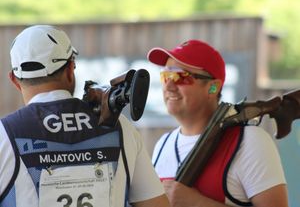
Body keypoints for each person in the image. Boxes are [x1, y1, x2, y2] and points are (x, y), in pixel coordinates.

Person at [0, 25, 170, 207]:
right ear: (70, 69)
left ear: (14, 80)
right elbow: (156, 204)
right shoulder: (120, 126)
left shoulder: (4, 134)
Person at [147, 39, 289, 207]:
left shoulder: (250, 141)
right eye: (165, 75)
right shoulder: (163, 145)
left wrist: (197, 203)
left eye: (180, 76)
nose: (168, 86)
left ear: (213, 87)